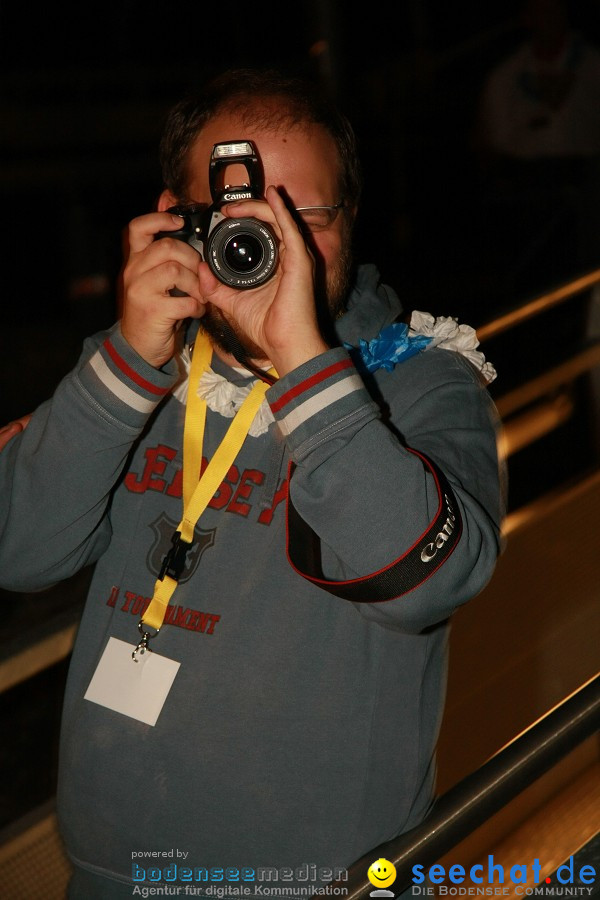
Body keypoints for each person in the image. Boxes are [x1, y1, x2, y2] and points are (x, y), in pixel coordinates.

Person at [0, 68, 503, 898]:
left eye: (304, 214)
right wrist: (121, 369)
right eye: (237, 218)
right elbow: (18, 551)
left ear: (349, 220)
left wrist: (301, 362)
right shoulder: (136, 365)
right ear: (172, 222)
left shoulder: (422, 382)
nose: (279, 245)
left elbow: (432, 578)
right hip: (107, 872)